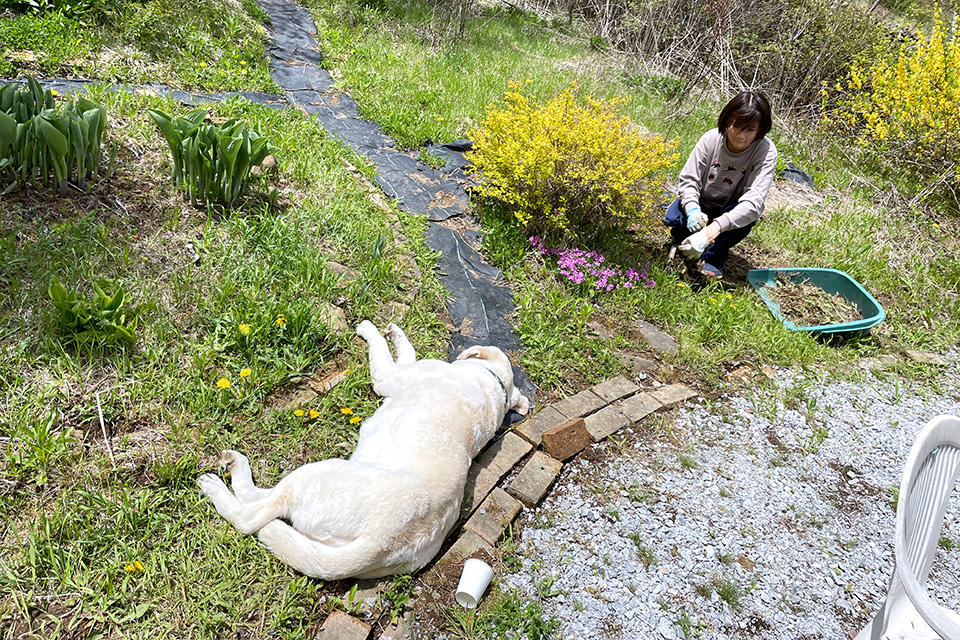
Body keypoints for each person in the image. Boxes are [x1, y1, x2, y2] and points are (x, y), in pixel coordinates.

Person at [663, 91, 778, 280]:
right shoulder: (711, 139)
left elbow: (754, 202)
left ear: (760, 129)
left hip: (730, 209)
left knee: (745, 219)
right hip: (702, 203)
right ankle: (686, 234)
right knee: (676, 221)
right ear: (727, 121)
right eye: (736, 126)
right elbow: (689, 180)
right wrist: (692, 210)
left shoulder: (765, 152)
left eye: (749, 130)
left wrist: (716, 227)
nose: (741, 136)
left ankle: (714, 256)